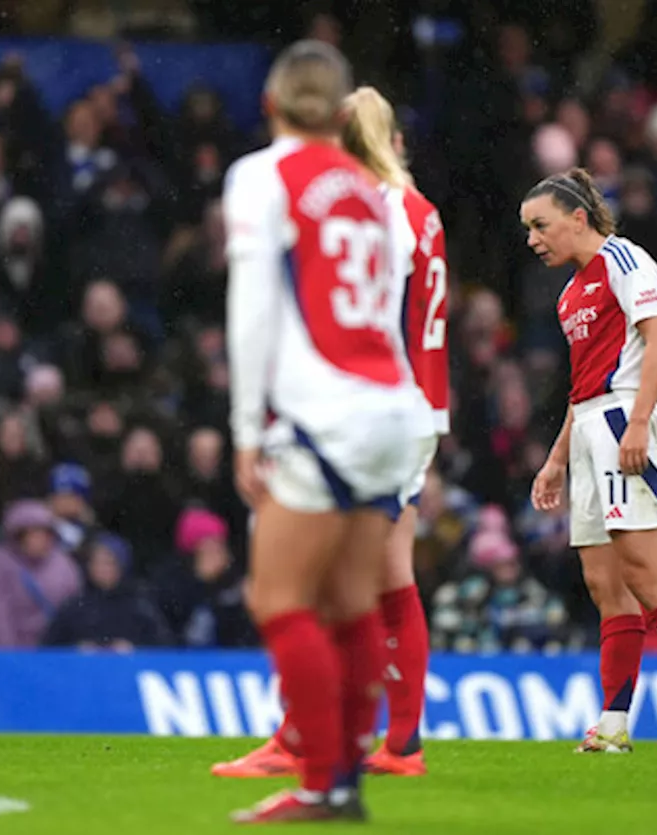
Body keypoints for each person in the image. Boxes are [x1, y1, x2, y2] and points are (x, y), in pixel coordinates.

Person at [222, 42, 434, 823]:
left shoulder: (261, 175)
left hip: (323, 411)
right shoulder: (375, 189)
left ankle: (319, 777)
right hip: (393, 408)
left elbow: (251, 312)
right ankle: (342, 784)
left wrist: (248, 429)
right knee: (350, 604)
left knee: (278, 598)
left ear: (272, 105)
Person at [522, 167, 657, 753]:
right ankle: (614, 723)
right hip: (589, 426)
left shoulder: (624, 259)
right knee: (603, 583)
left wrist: (638, 421)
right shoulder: (570, 293)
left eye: (540, 225)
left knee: (643, 574)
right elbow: (580, 385)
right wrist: (556, 459)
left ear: (578, 218)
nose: (533, 239)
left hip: (623, 421)